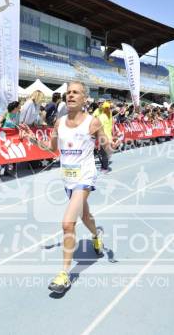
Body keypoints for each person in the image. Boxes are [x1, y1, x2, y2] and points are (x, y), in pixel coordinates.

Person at [19, 81, 115, 294]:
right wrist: (32, 138)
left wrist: (110, 146)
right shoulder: (58, 123)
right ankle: (96, 236)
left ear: (84, 99)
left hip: (85, 177)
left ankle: (64, 275)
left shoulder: (93, 122)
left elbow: (107, 148)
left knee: (67, 223)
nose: (70, 95)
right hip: (68, 180)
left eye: (76, 92)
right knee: (85, 217)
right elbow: (51, 149)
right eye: (68, 92)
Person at [97, 101, 113, 172]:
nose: (108, 109)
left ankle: (104, 168)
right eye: (108, 108)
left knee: (104, 153)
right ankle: (104, 166)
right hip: (108, 137)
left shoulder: (102, 116)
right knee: (104, 153)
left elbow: (99, 127)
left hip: (104, 137)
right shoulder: (110, 115)